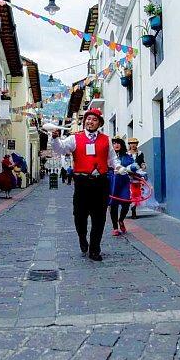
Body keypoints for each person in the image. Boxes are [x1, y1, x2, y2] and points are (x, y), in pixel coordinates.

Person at [51, 108, 119, 261]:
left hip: (101, 183)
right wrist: (55, 139)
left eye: (94, 119)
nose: (90, 121)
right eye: (88, 119)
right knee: (79, 216)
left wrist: (119, 167)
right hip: (82, 183)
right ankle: (82, 237)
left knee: (99, 218)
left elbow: (112, 159)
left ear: (99, 123)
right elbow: (61, 149)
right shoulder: (75, 138)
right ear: (84, 122)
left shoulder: (106, 139)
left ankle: (94, 249)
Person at [108, 136, 135, 236]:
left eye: (118, 143)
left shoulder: (127, 156)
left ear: (122, 145)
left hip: (124, 182)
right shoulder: (108, 156)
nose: (116, 145)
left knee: (126, 203)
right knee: (113, 205)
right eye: (114, 143)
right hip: (112, 182)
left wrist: (135, 171)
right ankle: (115, 227)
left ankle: (121, 220)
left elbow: (132, 167)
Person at [127, 137, 146, 219]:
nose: (133, 145)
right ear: (129, 145)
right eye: (131, 143)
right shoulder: (126, 154)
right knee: (130, 193)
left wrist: (143, 167)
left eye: (135, 143)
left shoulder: (140, 153)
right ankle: (130, 208)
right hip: (129, 176)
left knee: (136, 193)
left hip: (137, 176)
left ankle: (133, 210)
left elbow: (142, 163)